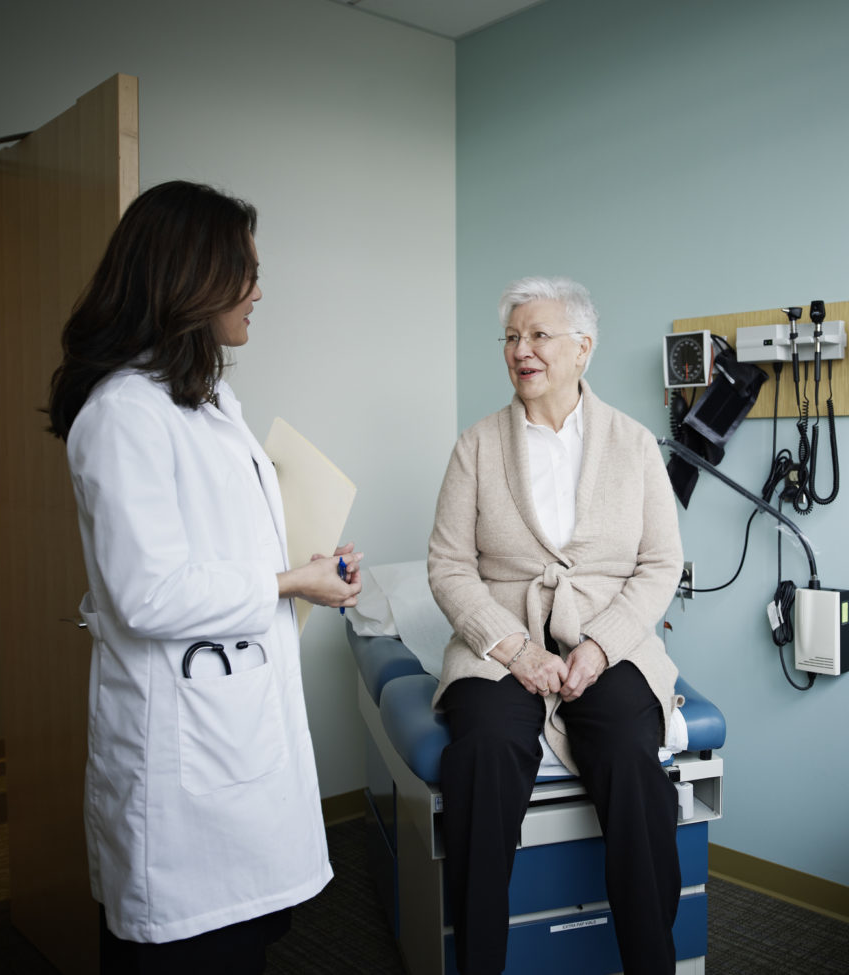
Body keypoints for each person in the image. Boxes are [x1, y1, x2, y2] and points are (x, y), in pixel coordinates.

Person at [46, 180, 363, 974]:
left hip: (236, 713)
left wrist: (308, 566)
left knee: (241, 941)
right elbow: (149, 592)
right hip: (180, 748)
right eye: (245, 271)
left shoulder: (207, 394)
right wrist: (292, 582)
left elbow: (224, 534)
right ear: (191, 279)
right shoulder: (123, 413)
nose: (259, 290)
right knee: (189, 950)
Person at [427, 276, 684, 975]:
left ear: (582, 348)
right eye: (512, 337)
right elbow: (449, 566)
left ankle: (651, 964)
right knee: (481, 750)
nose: (521, 350)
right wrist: (514, 650)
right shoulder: (476, 446)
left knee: (634, 753)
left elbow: (662, 564)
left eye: (539, 335)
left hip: (607, 639)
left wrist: (600, 647)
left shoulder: (632, 444)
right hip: (500, 643)